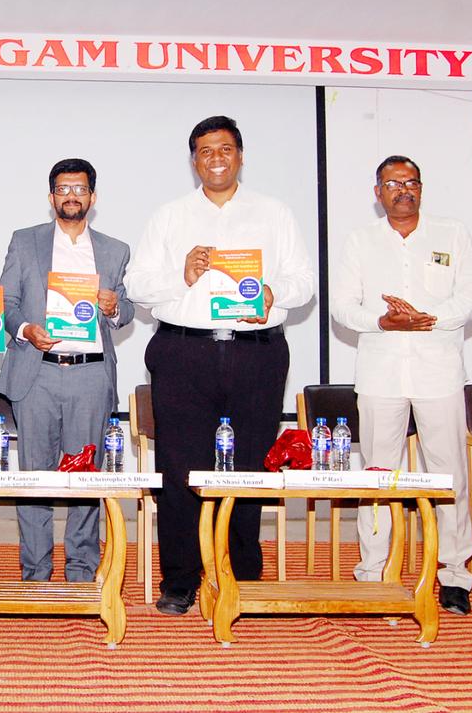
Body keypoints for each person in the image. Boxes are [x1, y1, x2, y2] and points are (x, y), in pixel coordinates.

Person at [125, 115, 315, 615]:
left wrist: (274, 291)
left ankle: (241, 575)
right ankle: (181, 578)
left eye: (225, 149)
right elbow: (139, 285)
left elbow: (303, 282)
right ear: (194, 161)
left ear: (241, 156)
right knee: (180, 467)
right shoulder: (169, 216)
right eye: (205, 151)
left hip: (257, 353)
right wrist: (180, 274)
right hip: (185, 352)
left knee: (250, 464)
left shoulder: (274, 213)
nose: (216, 159)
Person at [331, 155, 472, 616]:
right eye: (392, 183)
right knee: (378, 474)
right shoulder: (360, 241)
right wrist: (382, 321)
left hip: (438, 368)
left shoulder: (451, 233)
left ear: (422, 188)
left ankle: (455, 575)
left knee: (449, 475)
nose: (403, 189)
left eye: (411, 182)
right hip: (380, 371)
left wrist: (431, 318)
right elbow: (343, 305)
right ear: (377, 192)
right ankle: (374, 572)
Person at [0, 158, 134, 582]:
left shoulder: (114, 249)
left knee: (86, 478)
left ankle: (81, 570)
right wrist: (24, 329)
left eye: (79, 188)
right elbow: (6, 302)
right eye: (62, 188)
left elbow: (127, 309)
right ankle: (35, 573)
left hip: (91, 376)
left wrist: (114, 309)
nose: (71, 195)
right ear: (51, 196)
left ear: (92, 197)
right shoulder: (25, 241)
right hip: (37, 372)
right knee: (35, 477)